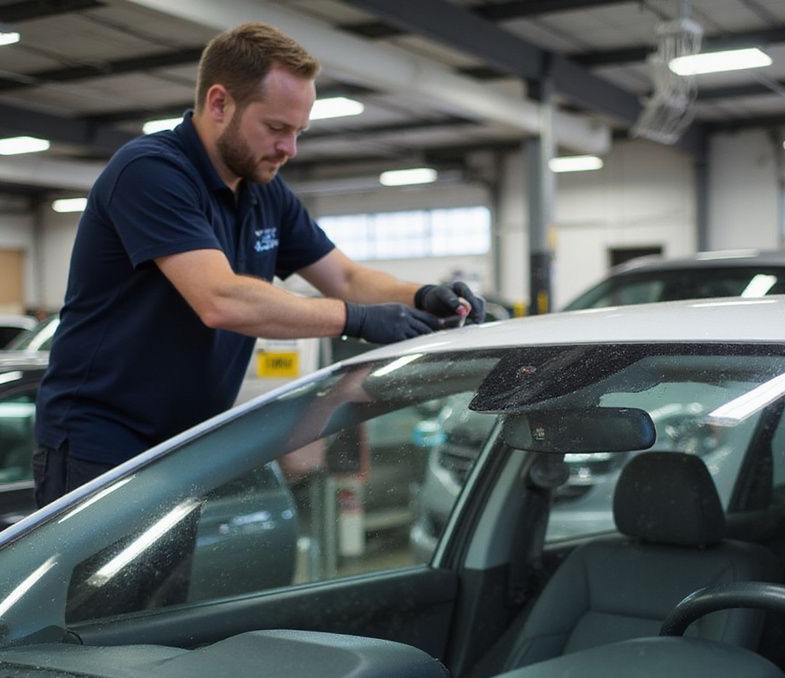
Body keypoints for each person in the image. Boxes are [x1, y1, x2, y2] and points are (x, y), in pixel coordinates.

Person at [33, 21, 484, 508]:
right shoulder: (151, 172)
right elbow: (219, 299)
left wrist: (419, 296)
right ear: (220, 103)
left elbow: (347, 277)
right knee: (101, 589)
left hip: (184, 445)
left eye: (298, 132)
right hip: (100, 445)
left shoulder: (264, 193)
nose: (289, 149)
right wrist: (360, 320)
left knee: (165, 588)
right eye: (276, 128)